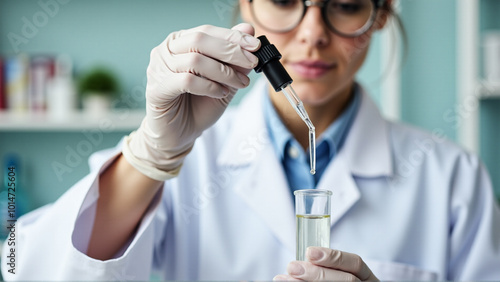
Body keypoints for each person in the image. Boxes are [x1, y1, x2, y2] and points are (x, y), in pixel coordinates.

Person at [3, 0, 500, 280]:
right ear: (247, 7)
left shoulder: (452, 178)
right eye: (285, 1)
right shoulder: (191, 162)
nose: (312, 33)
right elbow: (24, 269)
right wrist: (152, 154)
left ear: (382, 15)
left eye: (346, 5)